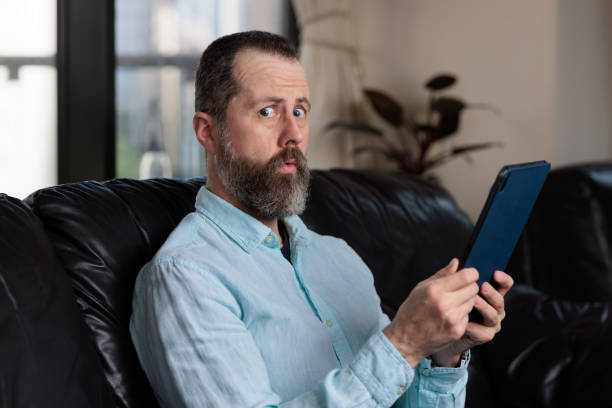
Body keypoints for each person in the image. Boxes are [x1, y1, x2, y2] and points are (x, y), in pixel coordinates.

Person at [130, 31, 513, 408]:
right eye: (267, 111)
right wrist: (404, 342)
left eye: (300, 111)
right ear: (207, 132)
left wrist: (442, 353)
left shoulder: (338, 257)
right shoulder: (185, 276)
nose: (293, 133)